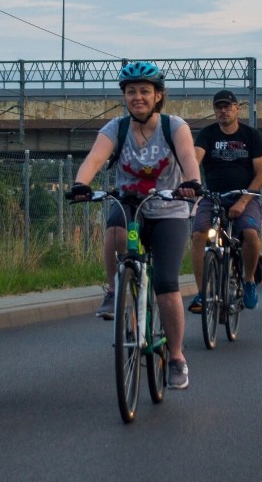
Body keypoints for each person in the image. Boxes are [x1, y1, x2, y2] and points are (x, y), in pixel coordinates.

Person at [69, 61, 200, 390]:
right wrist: (80, 183)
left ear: (158, 96)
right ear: (124, 97)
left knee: (167, 284)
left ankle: (177, 356)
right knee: (114, 224)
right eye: (131, 92)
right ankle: (115, 289)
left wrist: (191, 183)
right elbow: (96, 158)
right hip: (131, 205)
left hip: (169, 208)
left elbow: (187, 158)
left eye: (145, 91)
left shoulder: (174, 126)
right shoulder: (116, 128)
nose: (137, 97)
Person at [188, 90, 262, 313]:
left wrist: (243, 201)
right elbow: (195, 159)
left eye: (227, 106)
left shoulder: (251, 136)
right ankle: (203, 293)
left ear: (236, 109)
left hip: (245, 195)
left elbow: (261, 174)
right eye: (218, 107)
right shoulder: (207, 134)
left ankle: (249, 280)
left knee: (250, 235)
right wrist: (191, 183)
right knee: (198, 235)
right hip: (213, 196)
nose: (223, 111)